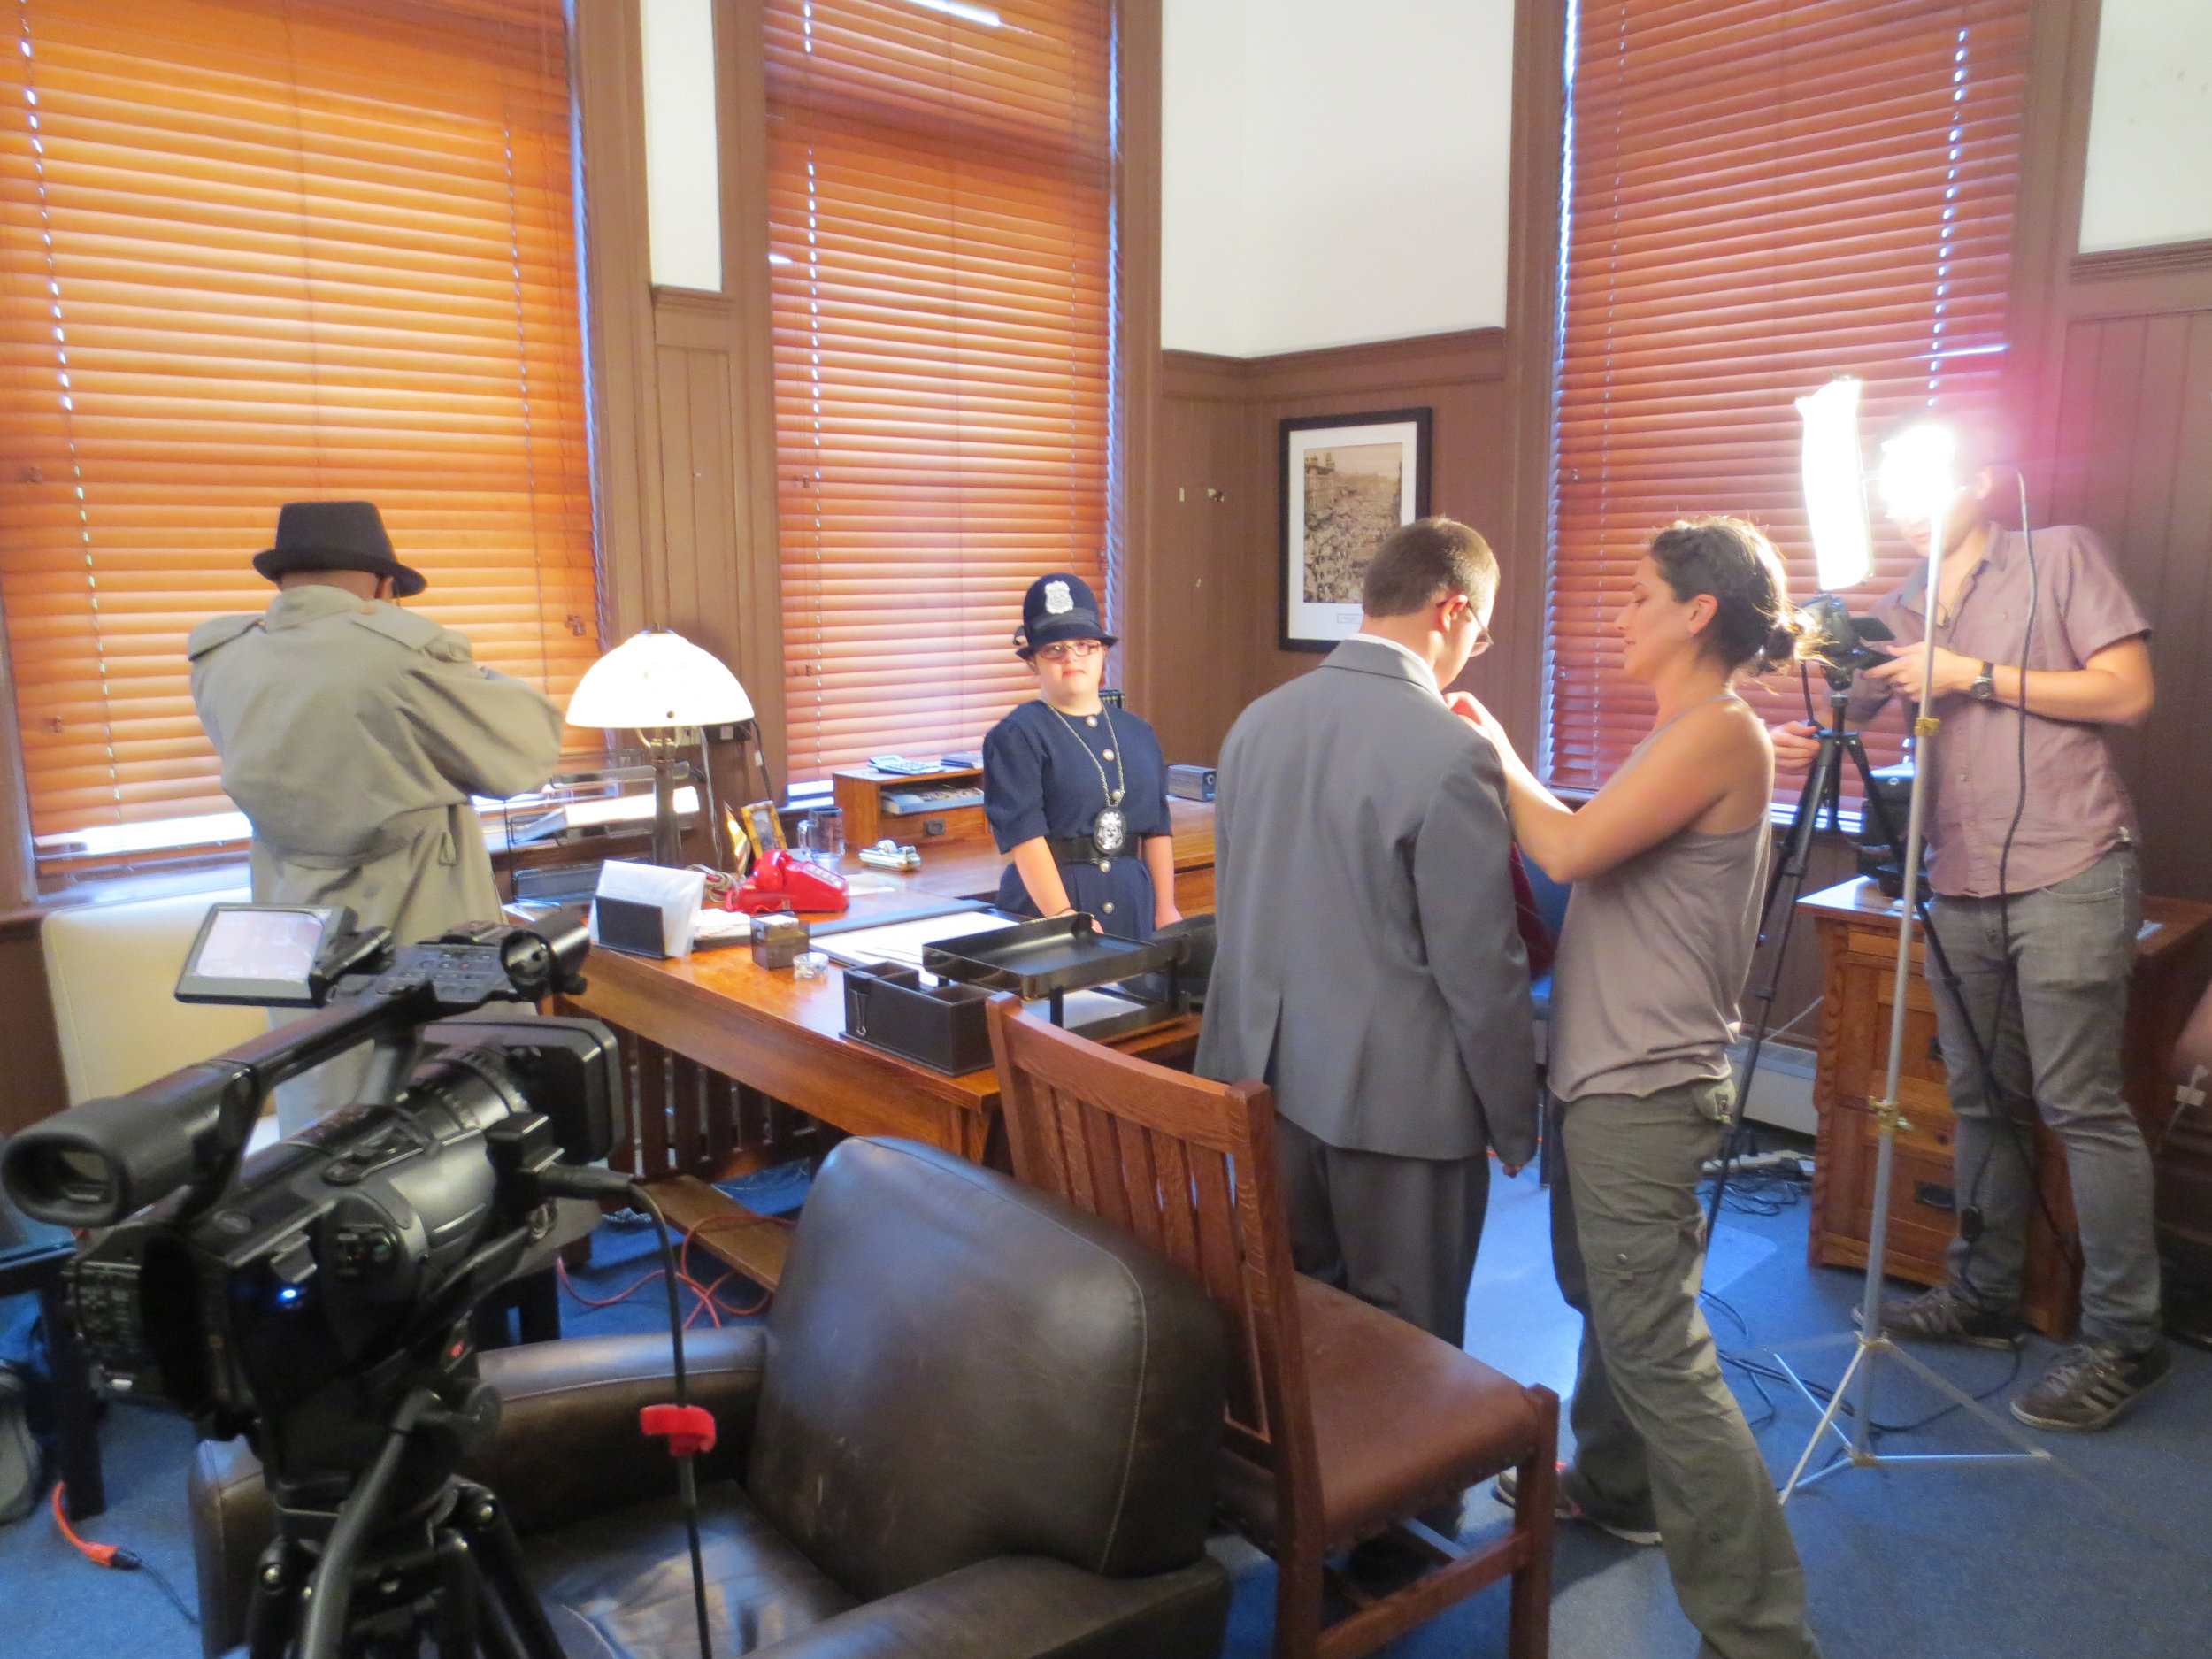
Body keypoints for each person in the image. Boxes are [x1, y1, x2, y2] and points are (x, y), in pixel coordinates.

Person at [1460, 517, 1820, 1659]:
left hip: (1644, 1088)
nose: (1616, 614)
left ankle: (1762, 1630)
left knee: (1659, 1345)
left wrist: (1497, 747)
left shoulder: (1721, 733)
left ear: (1697, 612)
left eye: (1634, 596)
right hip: (1607, 1075)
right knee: (1607, 1298)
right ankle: (1618, 1484)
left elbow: (1566, 854)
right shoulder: (1686, 729)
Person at [1772, 413, 2163, 1432]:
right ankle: (1983, 1293)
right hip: (1954, 878)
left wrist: (1972, 675)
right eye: (1889, 487)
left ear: (1983, 479)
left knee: (2080, 1105)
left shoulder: (2056, 554)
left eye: (1922, 481)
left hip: (2069, 865)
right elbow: (1865, 716)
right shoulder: (1900, 606)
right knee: (1984, 1100)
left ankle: (2123, 1338)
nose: (1904, 504)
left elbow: (2127, 694)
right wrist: (1825, 697)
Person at [1196, 518, 1536, 1352]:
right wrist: (1513, 1115)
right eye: (1481, 633)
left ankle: (1313, 1485)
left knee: (1296, 1330)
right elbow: (1478, 965)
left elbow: (1238, 904)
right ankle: (1416, 1489)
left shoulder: (1255, 723)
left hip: (1263, 1087)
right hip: (1401, 1111)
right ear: (1451, 610)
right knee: (1411, 1352)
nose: (1473, 648)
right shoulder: (1454, 752)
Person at [189, 501, 566, 1133]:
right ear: (383, 584)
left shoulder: (222, 658)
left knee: (325, 1102)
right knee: (451, 1119)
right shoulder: (400, 657)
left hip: (299, 928)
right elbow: (523, 755)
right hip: (418, 922)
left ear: (284, 579)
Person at [983, 572, 1179, 942]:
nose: (1071, 657)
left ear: (1103, 651)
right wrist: (1063, 915)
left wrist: (1165, 908)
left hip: (1131, 897)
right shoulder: (1016, 735)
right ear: (1033, 662)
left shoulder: (1138, 731)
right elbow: (1025, 837)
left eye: (1084, 645)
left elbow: (1157, 828)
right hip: (1052, 904)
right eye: (1053, 649)